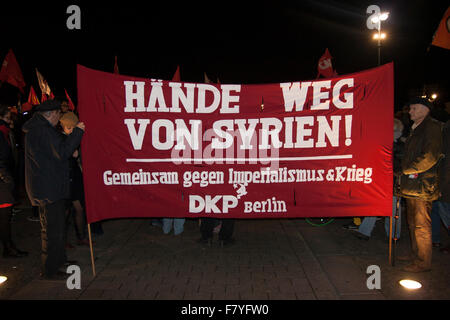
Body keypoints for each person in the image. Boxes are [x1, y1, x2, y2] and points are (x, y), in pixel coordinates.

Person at [23, 100, 85, 279]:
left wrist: (70, 145)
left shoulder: (42, 129)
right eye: (58, 113)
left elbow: (57, 149)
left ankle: (59, 260)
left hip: (51, 187)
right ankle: (50, 270)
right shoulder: (42, 130)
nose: (59, 117)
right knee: (52, 232)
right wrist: (78, 132)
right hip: (48, 190)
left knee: (58, 229)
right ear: (50, 114)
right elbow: (62, 151)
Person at [398, 97, 443, 272]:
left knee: (421, 225)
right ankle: (416, 254)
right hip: (412, 185)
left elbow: (430, 156)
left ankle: (423, 262)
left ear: (424, 109)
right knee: (412, 223)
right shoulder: (416, 128)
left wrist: (408, 169)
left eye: (413, 108)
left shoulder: (431, 127)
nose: (410, 112)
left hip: (423, 185)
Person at [348, 118, 405, 240]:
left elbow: (398, 166)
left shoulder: (398, 147)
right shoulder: (388, 145)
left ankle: (393, 235)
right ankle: (365, 231)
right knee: (377, 205)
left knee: (393, 209)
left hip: (392, 183)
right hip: (383, 181)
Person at [0, 104, 28, 258]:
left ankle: (8, 246)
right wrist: (5, 176)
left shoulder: (5, 132)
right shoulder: (1, 132)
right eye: (7, 118)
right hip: (2, 181)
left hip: (6, 178)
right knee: (4, 215)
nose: (10, 121)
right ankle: (8, 248)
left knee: (6, 215)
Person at [60, 112, 89, 246]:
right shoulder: (59, 139)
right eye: (69, 128)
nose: (71, 131)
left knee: (79, 208)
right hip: (65, 179)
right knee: (65, 212)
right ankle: (62, 240)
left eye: (73, 128)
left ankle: (81, 236)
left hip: (75, 177)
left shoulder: (74, 137)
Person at [431, 120, 450, 252]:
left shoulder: (445, 138)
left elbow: (446, 166)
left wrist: (442, 187)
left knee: (444, 212)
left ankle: (436, 239)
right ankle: (434, 239)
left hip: (444, 184)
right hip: (440, 182)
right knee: (436, 210)